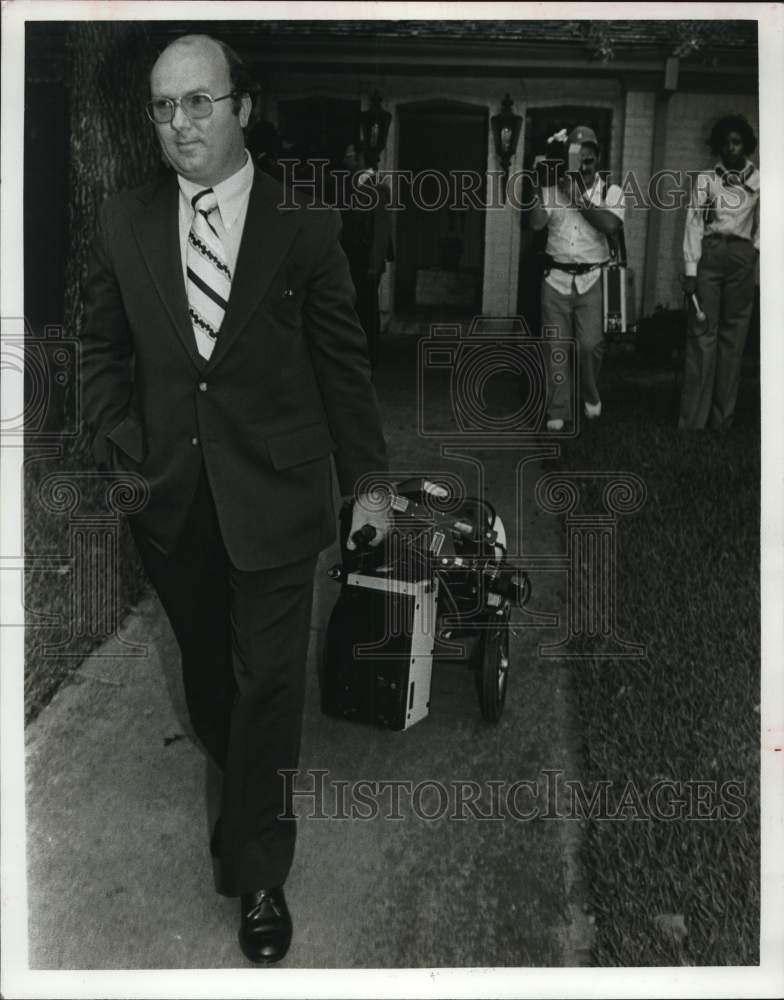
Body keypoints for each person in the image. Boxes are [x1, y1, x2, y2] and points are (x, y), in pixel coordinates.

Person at [79, 34, 389, 965]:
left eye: (200, 103)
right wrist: (117, 451)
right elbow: (99, 353)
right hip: (170, 501)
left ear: (242, 108)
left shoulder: (306, 224)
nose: (181, 125)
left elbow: (343, 364)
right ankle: (247, 779)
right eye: (165, 107)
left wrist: (367, 484)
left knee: (268, 683)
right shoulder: (122, 220)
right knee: (214, 681)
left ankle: (259, 872)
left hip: (280, 496)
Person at [528, 125, 625, 431]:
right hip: (555, 278)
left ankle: (589, 394)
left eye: (589, 157)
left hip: (592, 278)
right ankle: (558, 408)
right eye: (577, 157)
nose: (584, 164)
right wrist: (535, 183)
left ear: (597, 159)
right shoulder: (550, 189)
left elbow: (610, 225)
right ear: (568, 160)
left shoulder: (612, 191)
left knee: (589, 346)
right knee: (555, 346)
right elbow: (534, 223)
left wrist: (579, 198)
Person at [679, 115, 760, 430]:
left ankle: (721, 420)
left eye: (737, 142)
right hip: (709, 257)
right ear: (718, 145)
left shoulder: (760, 180)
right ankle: (693, 421)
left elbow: (767, 225)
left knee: (733, 338)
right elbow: (693, 222)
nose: (731, 148)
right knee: (702, 334)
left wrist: (754, 254)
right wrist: (690, 268)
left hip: (741, 257)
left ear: (746, 144)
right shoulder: (705, 180)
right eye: (725, 142)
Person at [338, 141, 394, 370]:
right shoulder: (352, 186)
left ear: (361, 160)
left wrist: (373, 264)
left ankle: (369, 357)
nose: (346, 160)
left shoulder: (377, 188)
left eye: (350, 156)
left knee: (367, 311)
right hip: (352, 259)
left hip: (365, 261)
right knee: (354, 310)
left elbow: (381, 229)